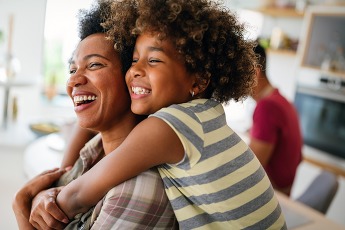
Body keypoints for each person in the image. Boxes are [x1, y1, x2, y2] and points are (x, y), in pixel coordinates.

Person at [39, 0, 287, 229]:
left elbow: (77, 196)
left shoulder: (168, 126)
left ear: (198, 80)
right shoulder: (204, 115)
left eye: (154, 60)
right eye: (134, 59)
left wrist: (45, 198)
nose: (135, 70)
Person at [12, 1, 177, 229]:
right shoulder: (94, 152)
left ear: (133, 77)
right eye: (72, 69)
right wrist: (47, 195)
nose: (72, 80)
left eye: (94, 65)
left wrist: (22, 208)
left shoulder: (135, 191)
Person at [249, 43, 303, 196]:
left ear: (254, 73)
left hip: (273, 198)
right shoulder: (282, 100)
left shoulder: (267, 107)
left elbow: (250, 168)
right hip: (283, 192)